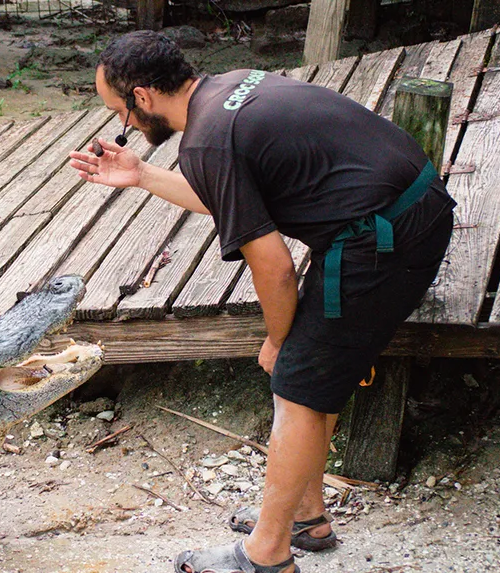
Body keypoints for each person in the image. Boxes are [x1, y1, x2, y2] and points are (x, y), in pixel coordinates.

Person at [69, 31, 456, 573]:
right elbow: (230, 197)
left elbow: (271, 265)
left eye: (121, 113)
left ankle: (267, 555)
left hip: (380, 240)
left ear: (142, 96)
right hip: (404, 210)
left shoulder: (205, 141)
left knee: (295, 384)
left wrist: (278, 340)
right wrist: (142, 175)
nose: (126, 127)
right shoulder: (229, 90)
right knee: (308, 379)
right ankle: (306, 518)